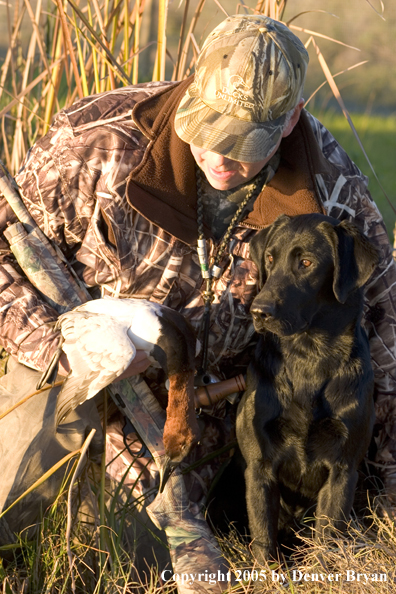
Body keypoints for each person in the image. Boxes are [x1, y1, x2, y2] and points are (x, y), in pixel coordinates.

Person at [0, 11, 395, 565]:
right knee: (12, 488)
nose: (217, 153)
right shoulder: (95, 143)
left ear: (289, 122)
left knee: (134, 560)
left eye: (243, 141)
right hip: (68, 372)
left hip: (199, 428)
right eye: (206, 127)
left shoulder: (330, 190)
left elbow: (382, 332)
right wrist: (67, 352)